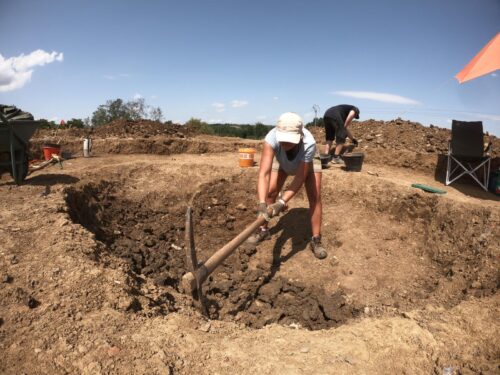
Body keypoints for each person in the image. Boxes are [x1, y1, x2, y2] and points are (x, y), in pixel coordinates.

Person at [246, 112, 327, 259]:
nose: (285, 144)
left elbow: (300, 177)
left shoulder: (309, 143)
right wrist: (262, 203)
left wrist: (282, 202)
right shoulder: (271, 138)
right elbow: (264, 173)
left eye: (289, 141)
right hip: (282, 160)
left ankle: (316, 239)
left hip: (306, 161)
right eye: (282, 140)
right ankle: (263, 230)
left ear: (300, 135)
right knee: (270, 192)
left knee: (315, 196)